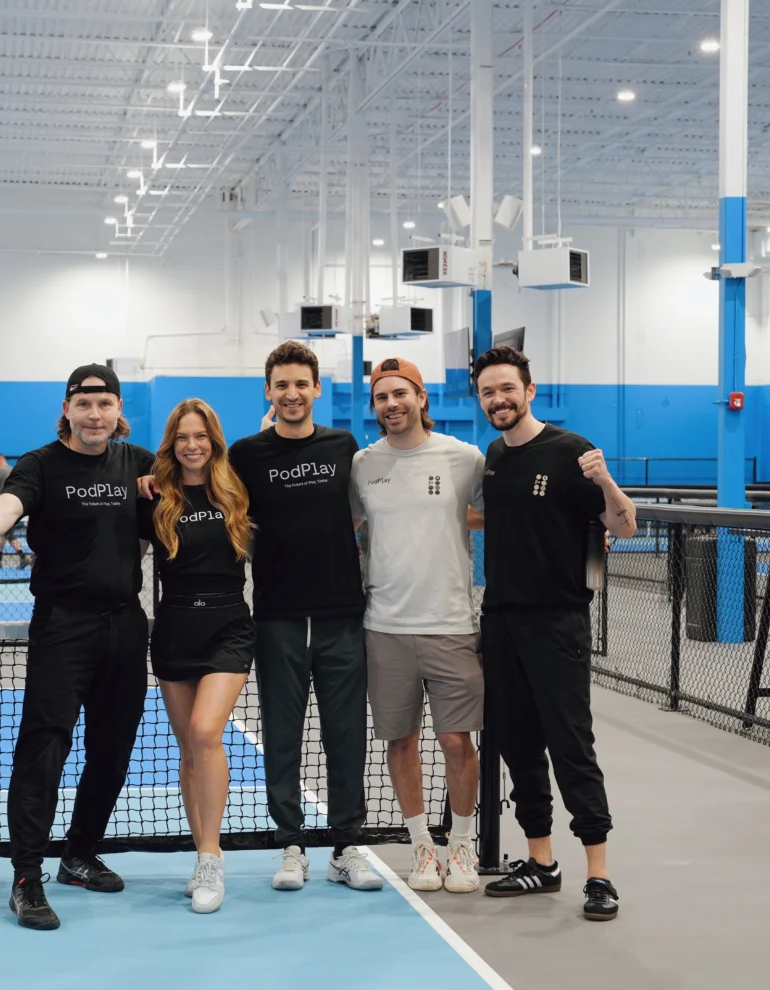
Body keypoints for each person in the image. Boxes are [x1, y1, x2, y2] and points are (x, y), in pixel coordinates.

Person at [0, 364, 154, 931]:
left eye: (105, 404)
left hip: (127, 626)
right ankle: (27, 877)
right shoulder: (40, 465)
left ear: (118, 411)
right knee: (43, 750)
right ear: (67, 410)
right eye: (84, 404)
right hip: (62, 627)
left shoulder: (140, 464)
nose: (95, 415)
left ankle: (79, 855)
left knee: (113, 749)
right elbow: (4, 510)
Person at [473, 345, 636, 922]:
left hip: (558, 622)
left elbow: (624, 526)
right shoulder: (494, 456)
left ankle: (599, 873)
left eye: (507, 389)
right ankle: (541, 862)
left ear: (529, 390)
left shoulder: (571, 451)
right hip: (501, 621)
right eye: (488, 392)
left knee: (570, 743)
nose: (499, 399)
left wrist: (607, 482)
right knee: (518, 744)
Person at [228, 341, 382, 893]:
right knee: (282, 735)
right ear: (268, 392)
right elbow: (228, 512)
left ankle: (346, 847)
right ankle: (291, 845)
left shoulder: (344, 446)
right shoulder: (245, 454)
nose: (292, 394)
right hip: (277, 617)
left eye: (301, 384)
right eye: (282, 385)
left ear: (316, 389)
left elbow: (357, 514)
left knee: (346, 735)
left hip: (342, 616)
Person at [349, 357, 486, 895]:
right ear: (375, 406)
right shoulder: (362, 464)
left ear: (421, 398)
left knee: (455, 740)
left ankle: (462, 843)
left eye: (401, 393)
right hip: (384, 627)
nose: (392, 404)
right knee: (401, 741)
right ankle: (422, 847)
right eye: (382, 397)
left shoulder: (464, 458)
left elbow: (503, 513)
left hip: (451, 623)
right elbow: (341, 525)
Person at [138, 399, 254, 914]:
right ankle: (200, 854)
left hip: (229, 627)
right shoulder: (155, 495)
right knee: (189, 748)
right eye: (183, 437)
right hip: (174, 629)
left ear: (214, 441)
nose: (192, 445)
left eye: (200, 436)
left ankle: (212, 857)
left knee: (207, 733)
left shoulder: (237, 488)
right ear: (172, 443)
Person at [0, 453, 28, 568]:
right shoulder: (14, 470)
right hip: (15, 505)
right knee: (4, 533)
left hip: (2, 507)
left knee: (8, 533)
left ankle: (23, 556)